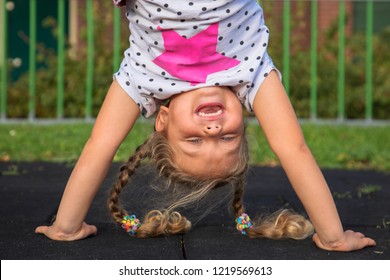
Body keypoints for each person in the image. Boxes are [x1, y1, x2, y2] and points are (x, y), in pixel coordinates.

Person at [35, 0, 376, 251]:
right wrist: (333, 236)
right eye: (229, 137)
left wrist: (66, 227)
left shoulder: (143, 79)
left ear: (163, 120)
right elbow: (293, 148)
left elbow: (100, 145)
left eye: (194, 142)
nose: (212, 132)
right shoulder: (250, 72)